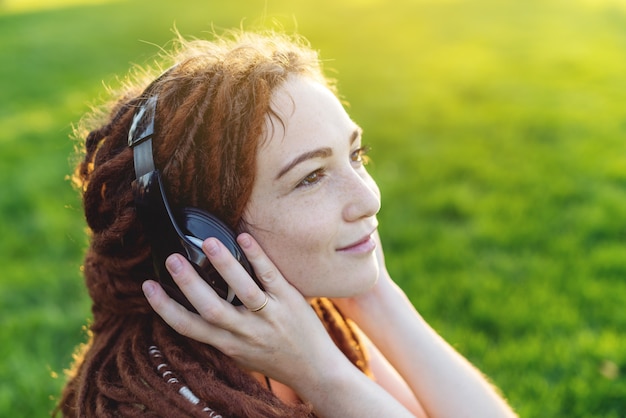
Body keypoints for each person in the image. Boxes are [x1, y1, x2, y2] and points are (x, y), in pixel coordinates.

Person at [58, 29, 517, 417]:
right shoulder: (158, 403)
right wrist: (323, 378)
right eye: (312, 177)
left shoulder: (309, 324)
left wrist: (377, 300)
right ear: (203, 239)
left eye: (355, 155)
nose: (370, 198)